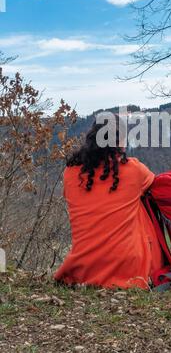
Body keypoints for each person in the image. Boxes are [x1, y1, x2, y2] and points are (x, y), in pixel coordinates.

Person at [54, 115, 164, 290]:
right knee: (141, 204)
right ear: (119, 141)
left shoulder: (70, 172)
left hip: (83, 267)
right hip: (130, 269)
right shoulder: (134, 170)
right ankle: (156, 265)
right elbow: (154, 185)